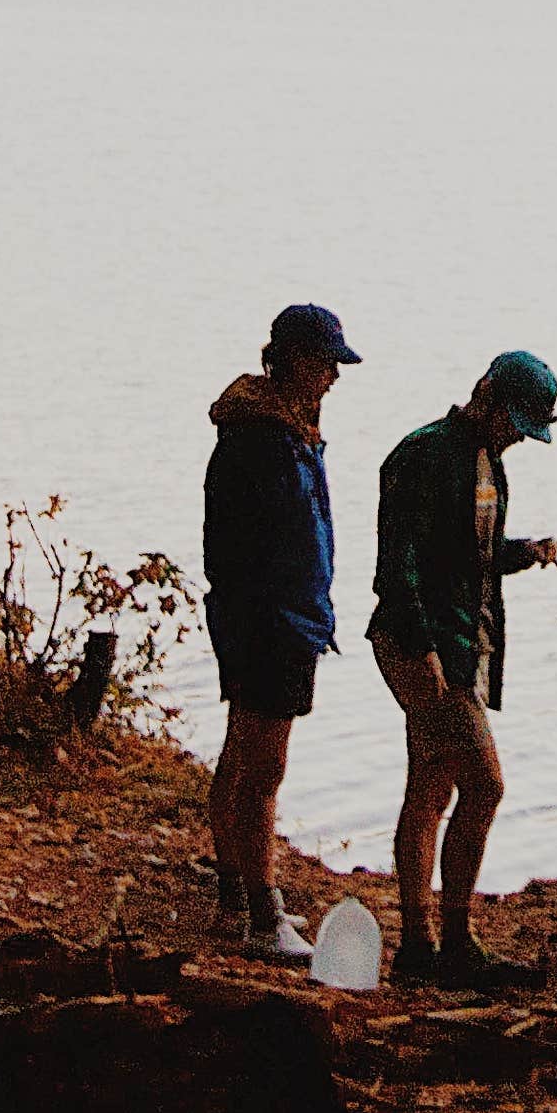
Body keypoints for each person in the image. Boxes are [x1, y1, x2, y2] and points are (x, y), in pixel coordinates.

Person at [368, 349, 557, 988]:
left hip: (461, 645)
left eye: (526, 429)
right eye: (512, 420)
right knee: (484, 785)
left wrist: (522, 553)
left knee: (431, 785)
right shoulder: (421, 455)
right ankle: (451, 938)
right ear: (483, 394)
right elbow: (398, 566)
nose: (516, 437)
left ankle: (422, 946)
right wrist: (423, 650)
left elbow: (465, 556)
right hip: (421, 646)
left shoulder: (490, 466)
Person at [203, 301, 359, 963]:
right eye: (327, 363)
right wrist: (272, 620)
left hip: (281, 618)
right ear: (295, 359)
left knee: (242, 754)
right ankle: (263, 919)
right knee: (263, 768)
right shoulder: (262, 440)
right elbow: (245, 544)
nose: (334, 377)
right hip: (271, 622)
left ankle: (235, 894)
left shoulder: (288, 430)